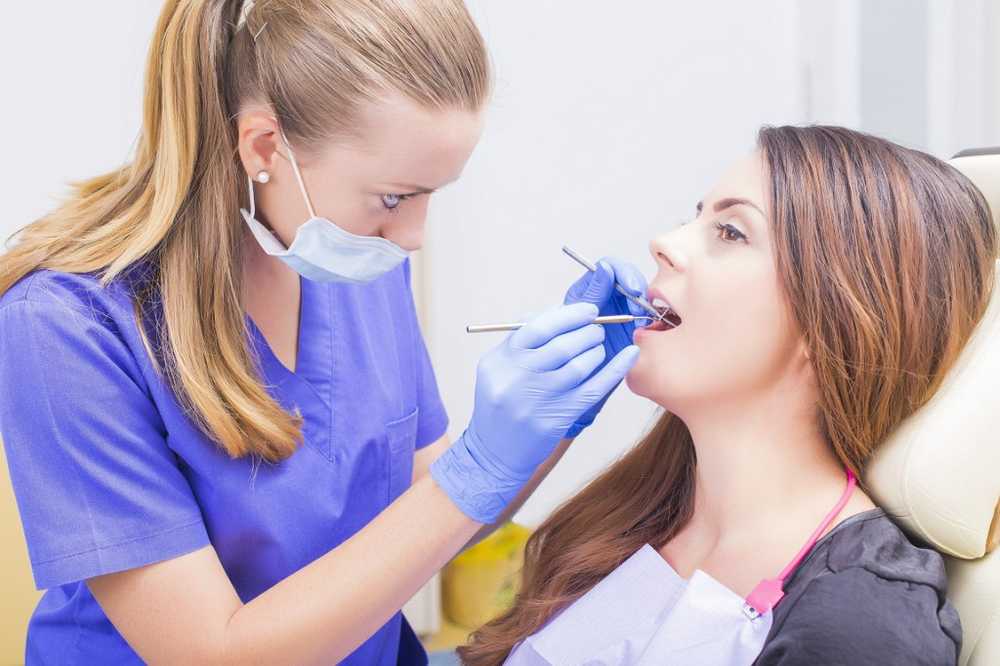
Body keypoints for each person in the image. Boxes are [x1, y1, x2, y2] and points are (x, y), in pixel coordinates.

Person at [0, 1, 641, 663]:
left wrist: (552, 420)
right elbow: (211, 654)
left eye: (431, 196)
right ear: (265, 148)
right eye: (394, 198)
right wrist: (474, 469)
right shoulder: (67, 326)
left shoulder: (356, 262)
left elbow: (439, 524)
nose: (413, 238)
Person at [459, 125, 998, 665]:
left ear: (828, 319)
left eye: (731, 232)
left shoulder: (861, 625)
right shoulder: (637, 512)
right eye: (697, 216)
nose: (664, 243)